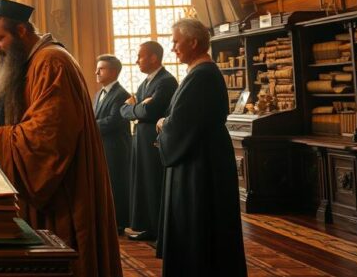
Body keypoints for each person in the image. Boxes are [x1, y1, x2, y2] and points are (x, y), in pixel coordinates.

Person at [0, 0, 122, 277]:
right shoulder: (33, 60)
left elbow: (50, 133)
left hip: (65, 189)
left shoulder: (51, 61)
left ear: (22, 32)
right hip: (56, 185)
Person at [156, 19, 247, 276]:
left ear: (193, 42)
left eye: (175, 41)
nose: (172, 47)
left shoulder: (202, 75)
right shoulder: (198, 73)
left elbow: (182, 124)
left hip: (200, 166)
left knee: (198, 227)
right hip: (199, 158)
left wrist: (163, 124)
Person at [120, 41, 177, 242]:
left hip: (154, 142)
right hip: (140, 140)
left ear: (154, 57)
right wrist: (136, 108)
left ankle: (159, 228)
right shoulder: (146, 83)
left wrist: (136, 109)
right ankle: (148, 226)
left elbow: (150, 110)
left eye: (140, 56)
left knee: (154, 183)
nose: (136, 61)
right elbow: (124, 110)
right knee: (142, 183)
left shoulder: (166, 81)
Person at [93, 54, 131, 234]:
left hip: (115, 148)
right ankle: (106, 221)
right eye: (97, 68)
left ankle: (119, 224)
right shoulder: (98, 93)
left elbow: (113, 121)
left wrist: (88, 126)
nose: (96, 72)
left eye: (101, 69)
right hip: (101, 147)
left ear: (114, 71)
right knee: (103, 186)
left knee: (116, 185)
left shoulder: (122, 94)